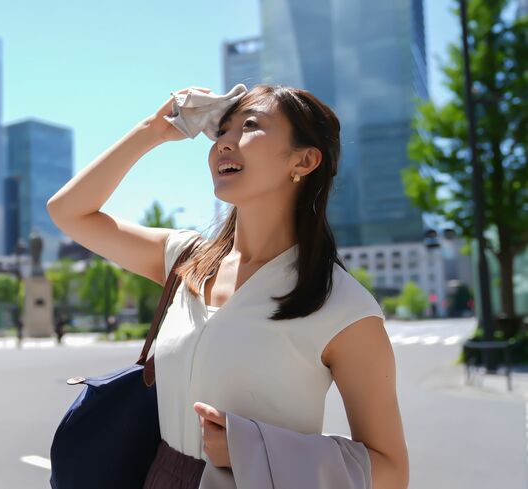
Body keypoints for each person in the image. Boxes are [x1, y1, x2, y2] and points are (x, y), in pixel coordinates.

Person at [47, 85, 409, 488]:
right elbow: (68, 212)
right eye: (221, 130)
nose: (224, 142)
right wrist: (155, 129)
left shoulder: (344, 308)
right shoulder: (185, 260)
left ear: (304, 160)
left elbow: (391, 470)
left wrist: (253, 449)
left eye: (249, 126)